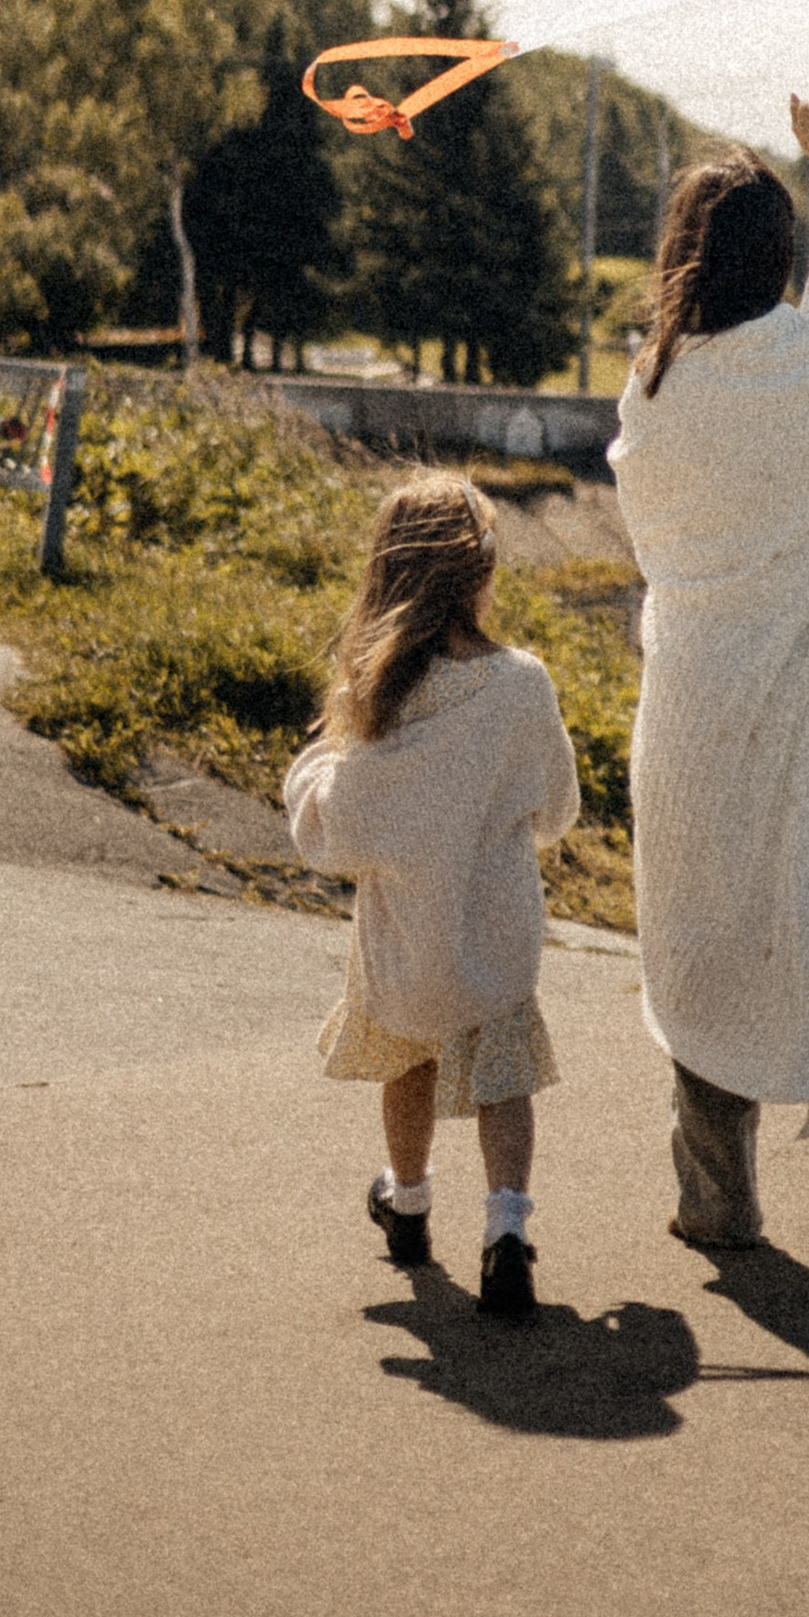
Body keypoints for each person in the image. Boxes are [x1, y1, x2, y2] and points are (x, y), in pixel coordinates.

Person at [614, 100, 809, 1254]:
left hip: (700, 708)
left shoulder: (655, 389)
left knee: (703, 936)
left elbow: (658, 540)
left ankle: (717, 1201)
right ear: (775, 260)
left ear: (680, 260)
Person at [284, 470, 579, 1318]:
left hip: (406, 944)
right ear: (481, 573)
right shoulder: (522, 684)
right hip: (495, 939)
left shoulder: (377, 694)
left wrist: (312, 770)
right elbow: (556, 808)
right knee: (503, 1079)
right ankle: (507, 1229)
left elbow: (338, 827)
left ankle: (408, 1202)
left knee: (406, 1062)